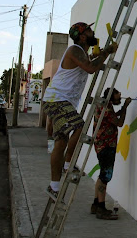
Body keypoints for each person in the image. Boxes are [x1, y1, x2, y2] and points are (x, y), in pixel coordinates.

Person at [42, 22, 117, 198]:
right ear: (82, 36)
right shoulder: (74, 50)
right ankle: (68, 164)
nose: (93, 33)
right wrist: (107, 51)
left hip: (59, 100)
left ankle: (54, 186)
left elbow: (89, 64)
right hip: (56, 100)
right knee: (78, 126)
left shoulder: (81, 52)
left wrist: (97, 55)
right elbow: (90, 68)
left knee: (61, 141)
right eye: (90, 31)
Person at [90, 87, 131, 220]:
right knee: (106, 176)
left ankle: (96, 204)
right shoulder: (106, 107)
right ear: (112, 96)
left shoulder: (104, 105)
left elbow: (112, 117)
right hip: (106, 146)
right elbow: (119, 123)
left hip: (101, 145)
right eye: (118, 94)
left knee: (102, 174)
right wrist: (125, 107)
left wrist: (122, 108)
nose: (120, 96)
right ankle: (101, 208)